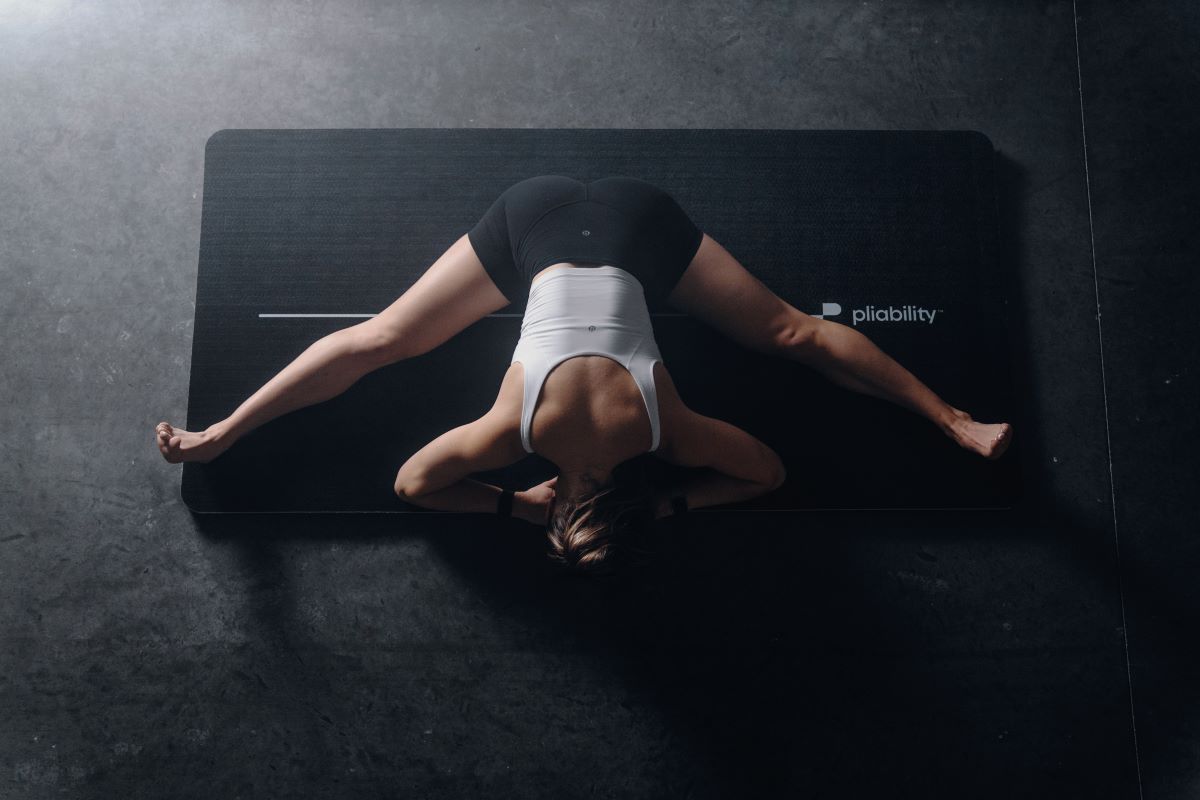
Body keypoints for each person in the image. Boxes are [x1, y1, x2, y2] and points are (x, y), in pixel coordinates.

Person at [156, 175, 1012, 572]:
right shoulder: (511, 437)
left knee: (795, 335)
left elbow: (767, 475)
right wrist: (512, 508)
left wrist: (669, 504)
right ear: (567, 501)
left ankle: (957, 423)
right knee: (382, 340)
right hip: (535, 216)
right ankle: (220, 434)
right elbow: (415, 484)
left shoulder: (668, 437)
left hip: (634, 220)